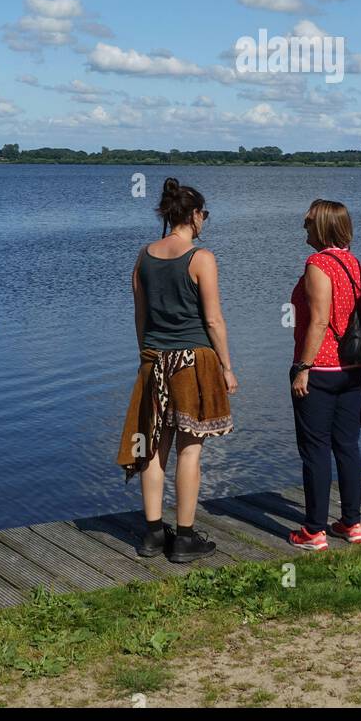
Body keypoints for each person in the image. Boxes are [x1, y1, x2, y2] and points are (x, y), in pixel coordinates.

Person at [117, 177, 237, 563]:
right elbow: (214, 321)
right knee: (190, 450)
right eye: (205, 214)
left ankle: (153, 534)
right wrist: (228, 367)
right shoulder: (201, 258)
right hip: (194, 362)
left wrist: (145, 355)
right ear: (195, 216)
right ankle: (184, 538)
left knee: (153, 447)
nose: (205, 221)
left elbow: (140, 314)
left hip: (154, 360)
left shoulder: (144, 256)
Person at [288, 198, 361, 551]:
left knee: (315, 449)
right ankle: (351, 523)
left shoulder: (317, 264)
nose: (303, 227)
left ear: (320, 226)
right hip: (352, 368)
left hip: (320, 369)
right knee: (347, 446)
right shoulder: (353, 262)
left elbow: (320, 320)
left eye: (307, 222)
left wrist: (302, 368)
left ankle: (314, 530)